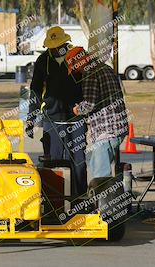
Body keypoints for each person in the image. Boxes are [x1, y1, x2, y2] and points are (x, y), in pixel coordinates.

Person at [26, 26, 87, 196]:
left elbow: (89, 83)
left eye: (59, 45)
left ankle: (80, 198)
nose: (56, 49)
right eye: (53, 46)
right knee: (52, 163)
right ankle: (54, 201)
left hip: (77, 121)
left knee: (78, 162)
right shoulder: (43, 61)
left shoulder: (77, 57)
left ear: (66, 42)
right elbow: (35, 92)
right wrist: (31, 120)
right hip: (52, 120)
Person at [73, 61, 129, 178]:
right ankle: (109, 193)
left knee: (100, 174)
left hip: (105, 130)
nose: (76, 72)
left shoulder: (90, 73)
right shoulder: (105, 67)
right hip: (118, 127)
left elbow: (90, 104)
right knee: (95, 163)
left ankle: (104, 195)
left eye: (75, 68)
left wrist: (78, 109)